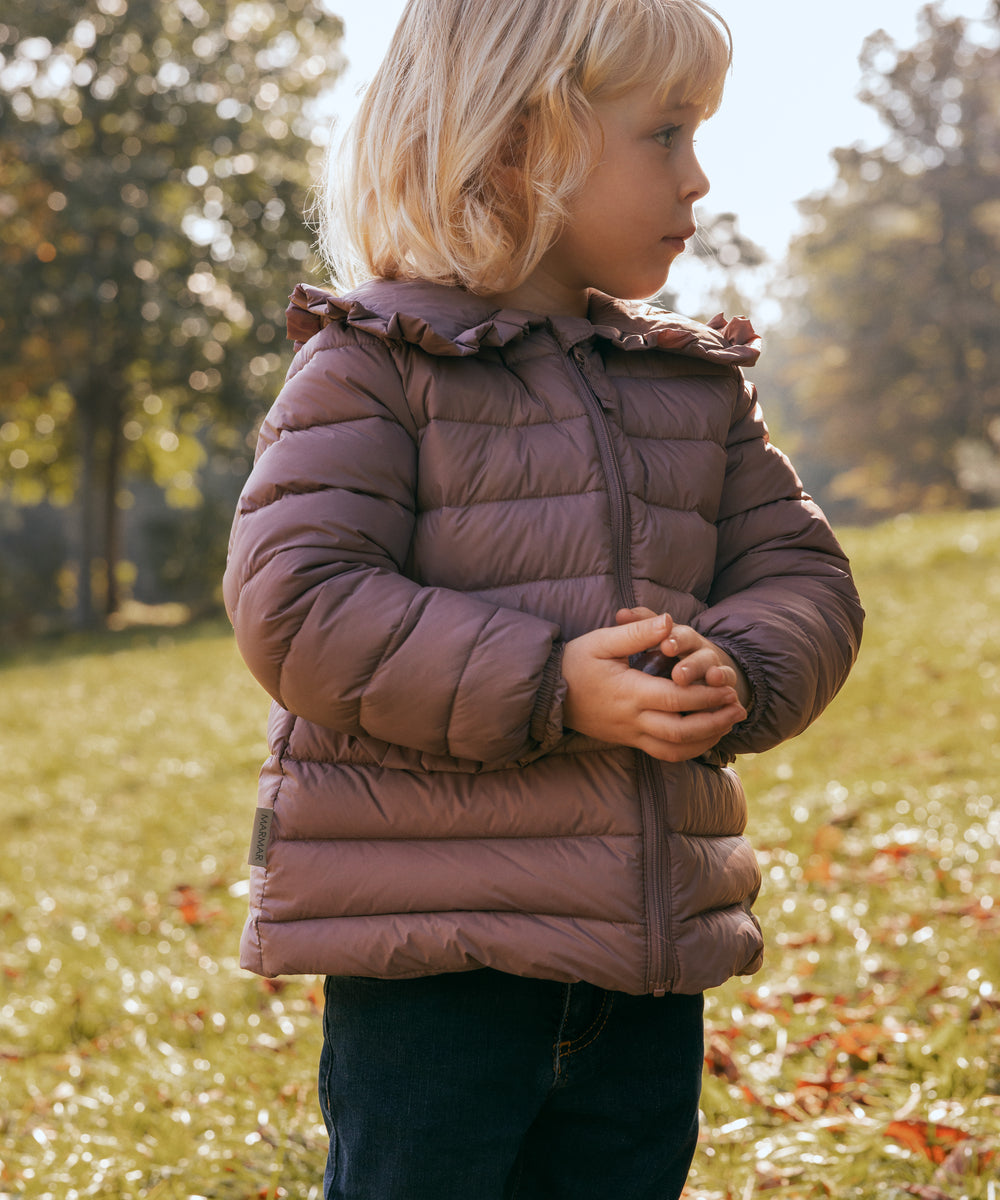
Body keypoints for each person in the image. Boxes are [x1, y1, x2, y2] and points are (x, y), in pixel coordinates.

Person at [223, 1, 864, 1196]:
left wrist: (740, 661)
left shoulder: (691, 385)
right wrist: (550, 682)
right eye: (664, 135)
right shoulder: (373, 363)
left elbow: (803, 575)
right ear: (522, 140)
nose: (700, 178)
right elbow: (298, 601)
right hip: (437, 963)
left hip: (643, 959)